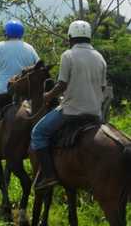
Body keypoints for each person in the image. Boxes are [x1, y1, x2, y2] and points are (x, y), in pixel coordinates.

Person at [31, 20, 106, 190]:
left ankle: (49, 175)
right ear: (89, 37)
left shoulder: (68, 55)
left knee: (38, 133)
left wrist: (48, 95)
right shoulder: (100, 57)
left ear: (71, 37)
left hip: (71, 111)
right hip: (95, 113)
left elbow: (62, 84)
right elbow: (101, 87)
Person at [0, 20, 39, 161]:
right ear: (22, 33)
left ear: (6, 33)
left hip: (1, 91)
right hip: (24, 95)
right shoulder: (30, 48)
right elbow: (38, 67)